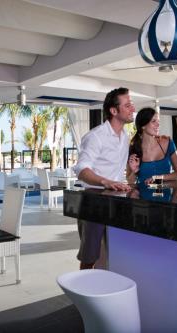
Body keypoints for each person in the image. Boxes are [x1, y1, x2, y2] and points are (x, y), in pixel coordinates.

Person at [73, 87, 135, 270]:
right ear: (114, 111)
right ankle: (83, 296)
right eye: (128, 105)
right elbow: (82, 170)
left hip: (117, 201)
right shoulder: (95, 137)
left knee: (114, 253)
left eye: (132, 104)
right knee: (90, 256)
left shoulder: (125, 137)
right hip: (94, 199)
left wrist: (130, 169)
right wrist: (105, 181)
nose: (132, 108)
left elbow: (118, 171)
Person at [127, 108, 177, 185]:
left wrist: (159, 178)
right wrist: (135, 170)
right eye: (153, 121)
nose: (158, 124)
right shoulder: (133, 148)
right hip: (143, 196)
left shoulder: (167, 142)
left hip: (165, 196)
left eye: (158, 121)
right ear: (143, 126)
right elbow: (130, 181)